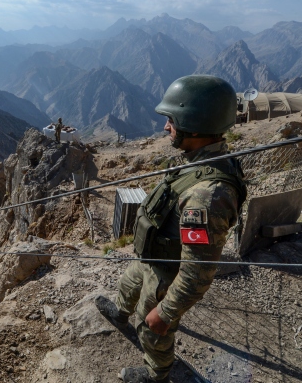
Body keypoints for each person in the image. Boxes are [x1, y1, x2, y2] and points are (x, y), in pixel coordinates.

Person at [96, 75, 247, 383]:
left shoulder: (206, 197)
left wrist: (166, 312)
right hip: (153, 257)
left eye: (172, 120)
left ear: (195, 126)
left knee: (151, 329)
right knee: (128, 284)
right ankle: (120, 313)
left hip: (167, 273)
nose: (166, 127)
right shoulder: (202, 159)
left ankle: (157, 374)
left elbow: (197, 272)